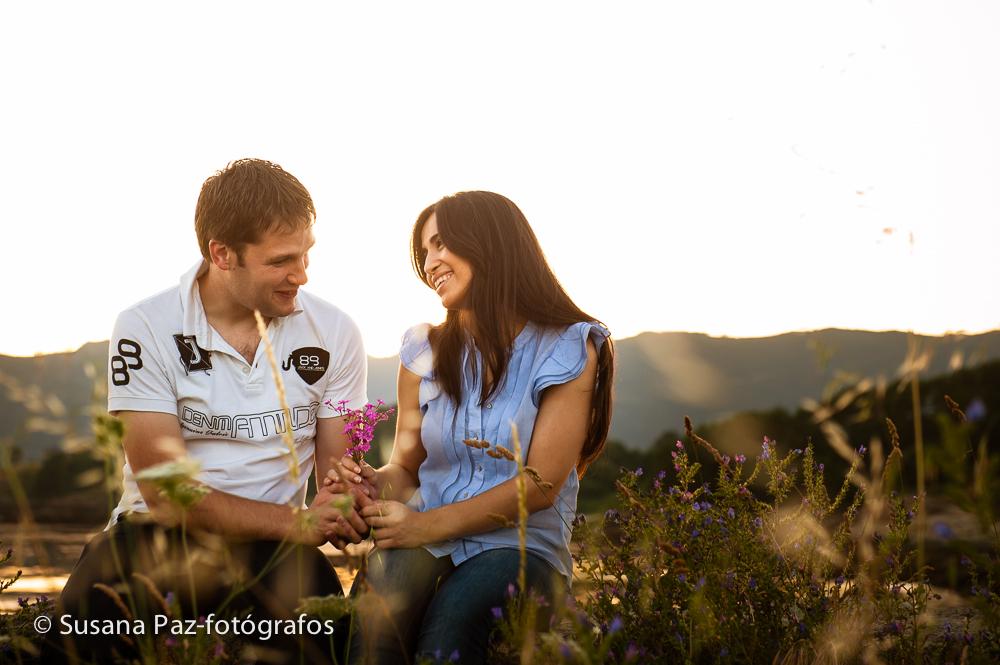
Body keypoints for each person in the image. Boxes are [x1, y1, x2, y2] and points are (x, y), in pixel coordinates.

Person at [58, 159, 370, 663]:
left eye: (306, 254)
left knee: (322, 627)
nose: (302, 275)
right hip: (154, 539)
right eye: (281, 260)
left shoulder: (335, 331)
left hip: (276, 553)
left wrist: (349, 495)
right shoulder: (145, 325)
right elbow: (165, 492)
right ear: (222, 254)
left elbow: (337, 470)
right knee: (82, 629)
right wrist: (301, 524)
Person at [331, 191, 615, 664]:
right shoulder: (423, 351)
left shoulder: (569, 347)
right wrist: (373, 484)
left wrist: (424, 525)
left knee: (452, 625)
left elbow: (541, 484)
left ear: (491, 243)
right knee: (374, 629)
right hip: (424, 535)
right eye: (424, 252)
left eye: (441, 244)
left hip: (521, 548)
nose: (430, 263)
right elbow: (406, 465)